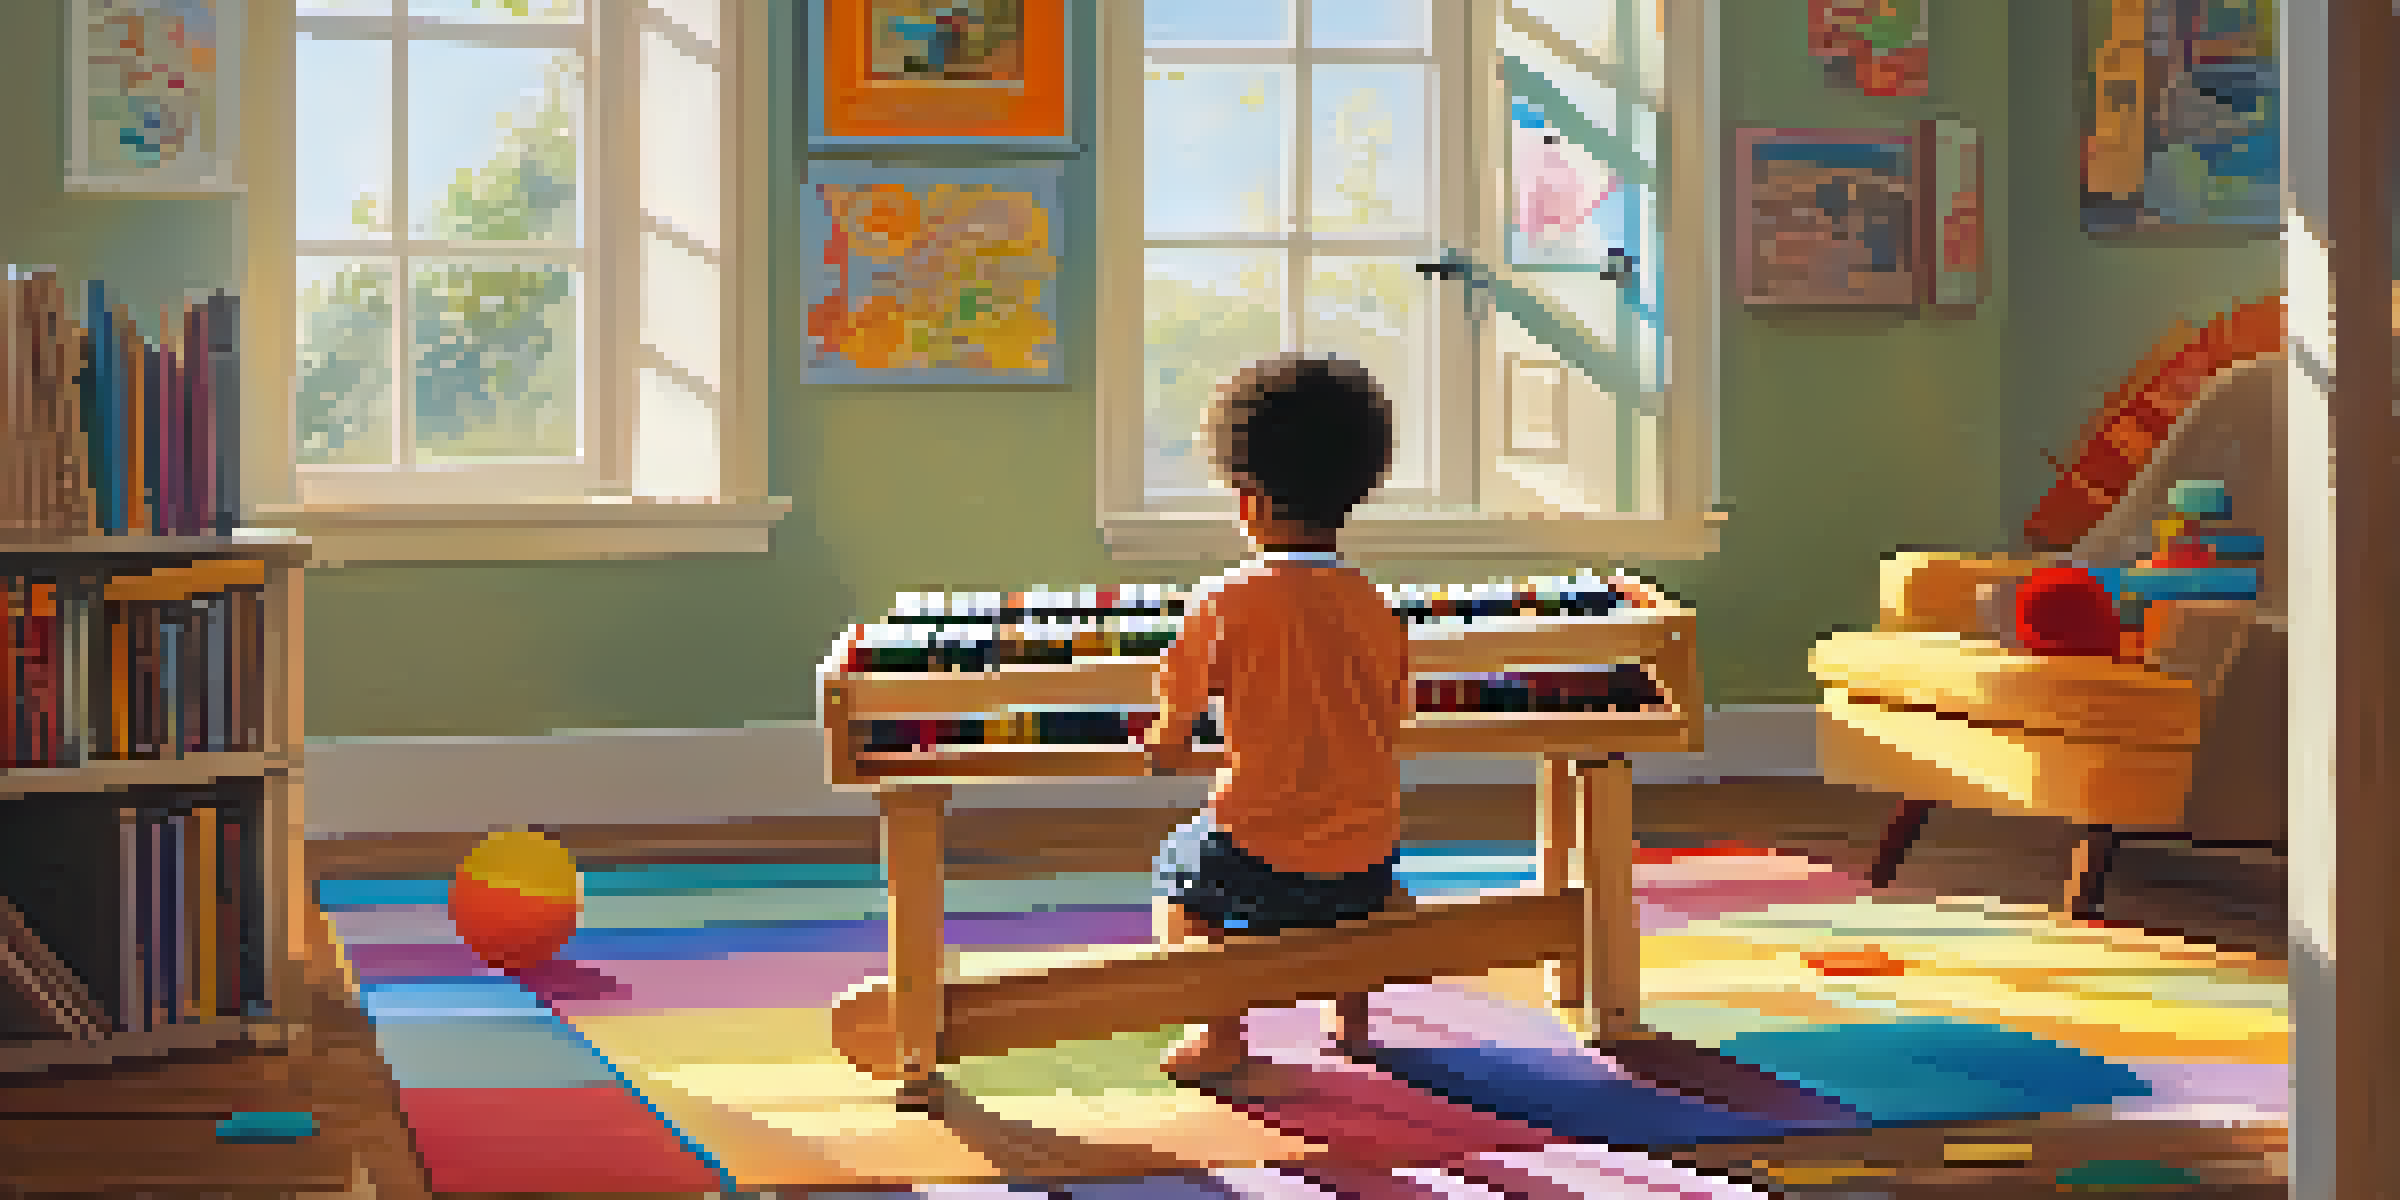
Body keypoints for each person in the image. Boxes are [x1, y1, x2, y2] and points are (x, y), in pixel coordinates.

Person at [1144, 352, 1419, 1087]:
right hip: (1365, 858)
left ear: (1249, 502)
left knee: (1179, 875)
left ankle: (1217, 1031)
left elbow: (1181, 698)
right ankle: (1352, 1019)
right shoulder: (1372, 603)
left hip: (1258, 855)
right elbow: (1392, 710)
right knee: (1352, 890)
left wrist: (1165, 744)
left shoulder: (1225, 600)